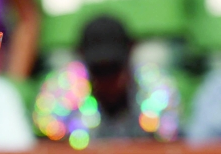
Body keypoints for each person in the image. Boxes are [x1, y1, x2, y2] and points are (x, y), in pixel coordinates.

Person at [33, 15, 181, 144]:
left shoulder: (155, 88)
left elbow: (171, 149)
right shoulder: (61, 92)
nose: (108, 80)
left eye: (114, 69)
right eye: (99, 71)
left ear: (130, 52)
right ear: (81, 57)